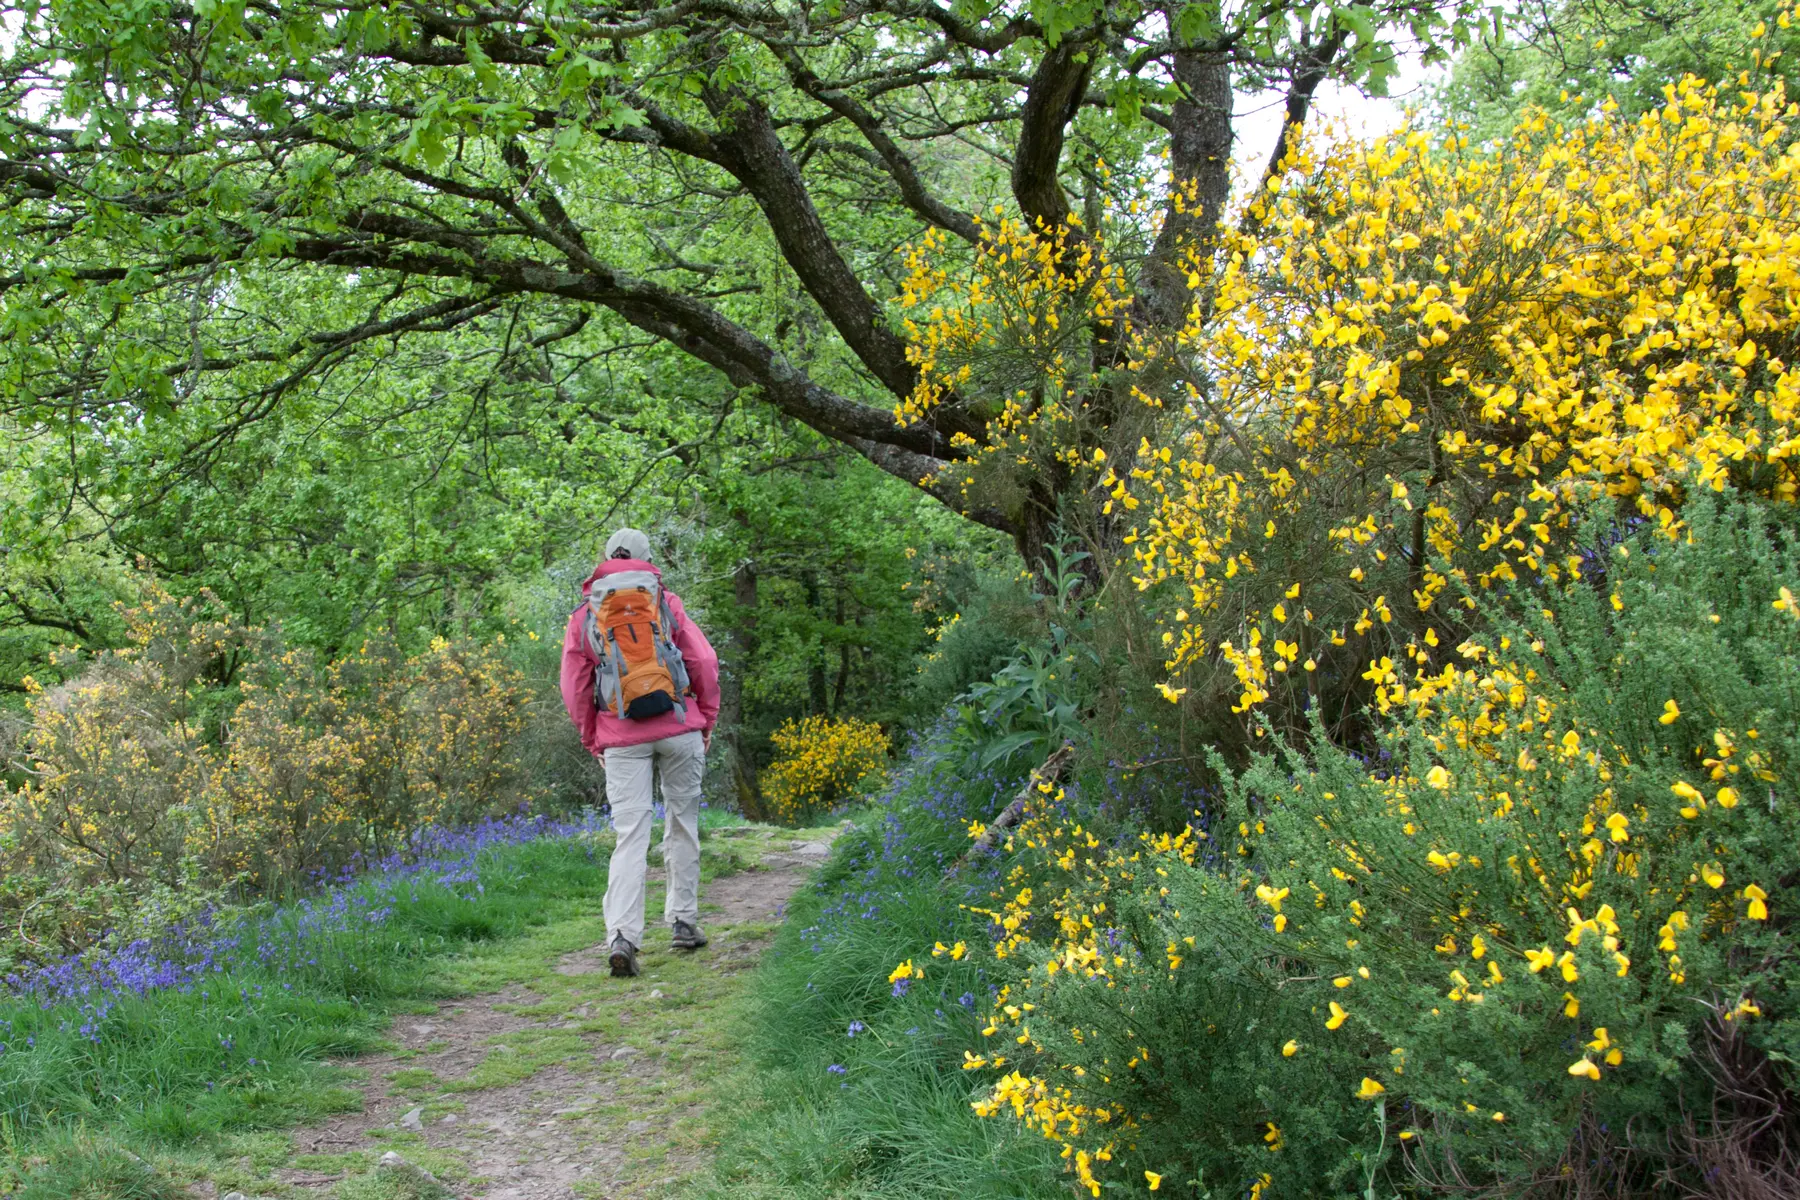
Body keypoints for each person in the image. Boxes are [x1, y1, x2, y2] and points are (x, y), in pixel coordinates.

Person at [560, 528, 720, 977]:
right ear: (650, 562)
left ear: (606, 559)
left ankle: (623, 936)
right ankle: (684, 922)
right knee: (682, 821)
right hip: (679, 727)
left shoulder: (585, 614)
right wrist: (704, 716)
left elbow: (573, 686)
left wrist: (593, 737)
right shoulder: (666, 604)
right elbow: (703, 662)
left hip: (620, 736)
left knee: (631, 834)